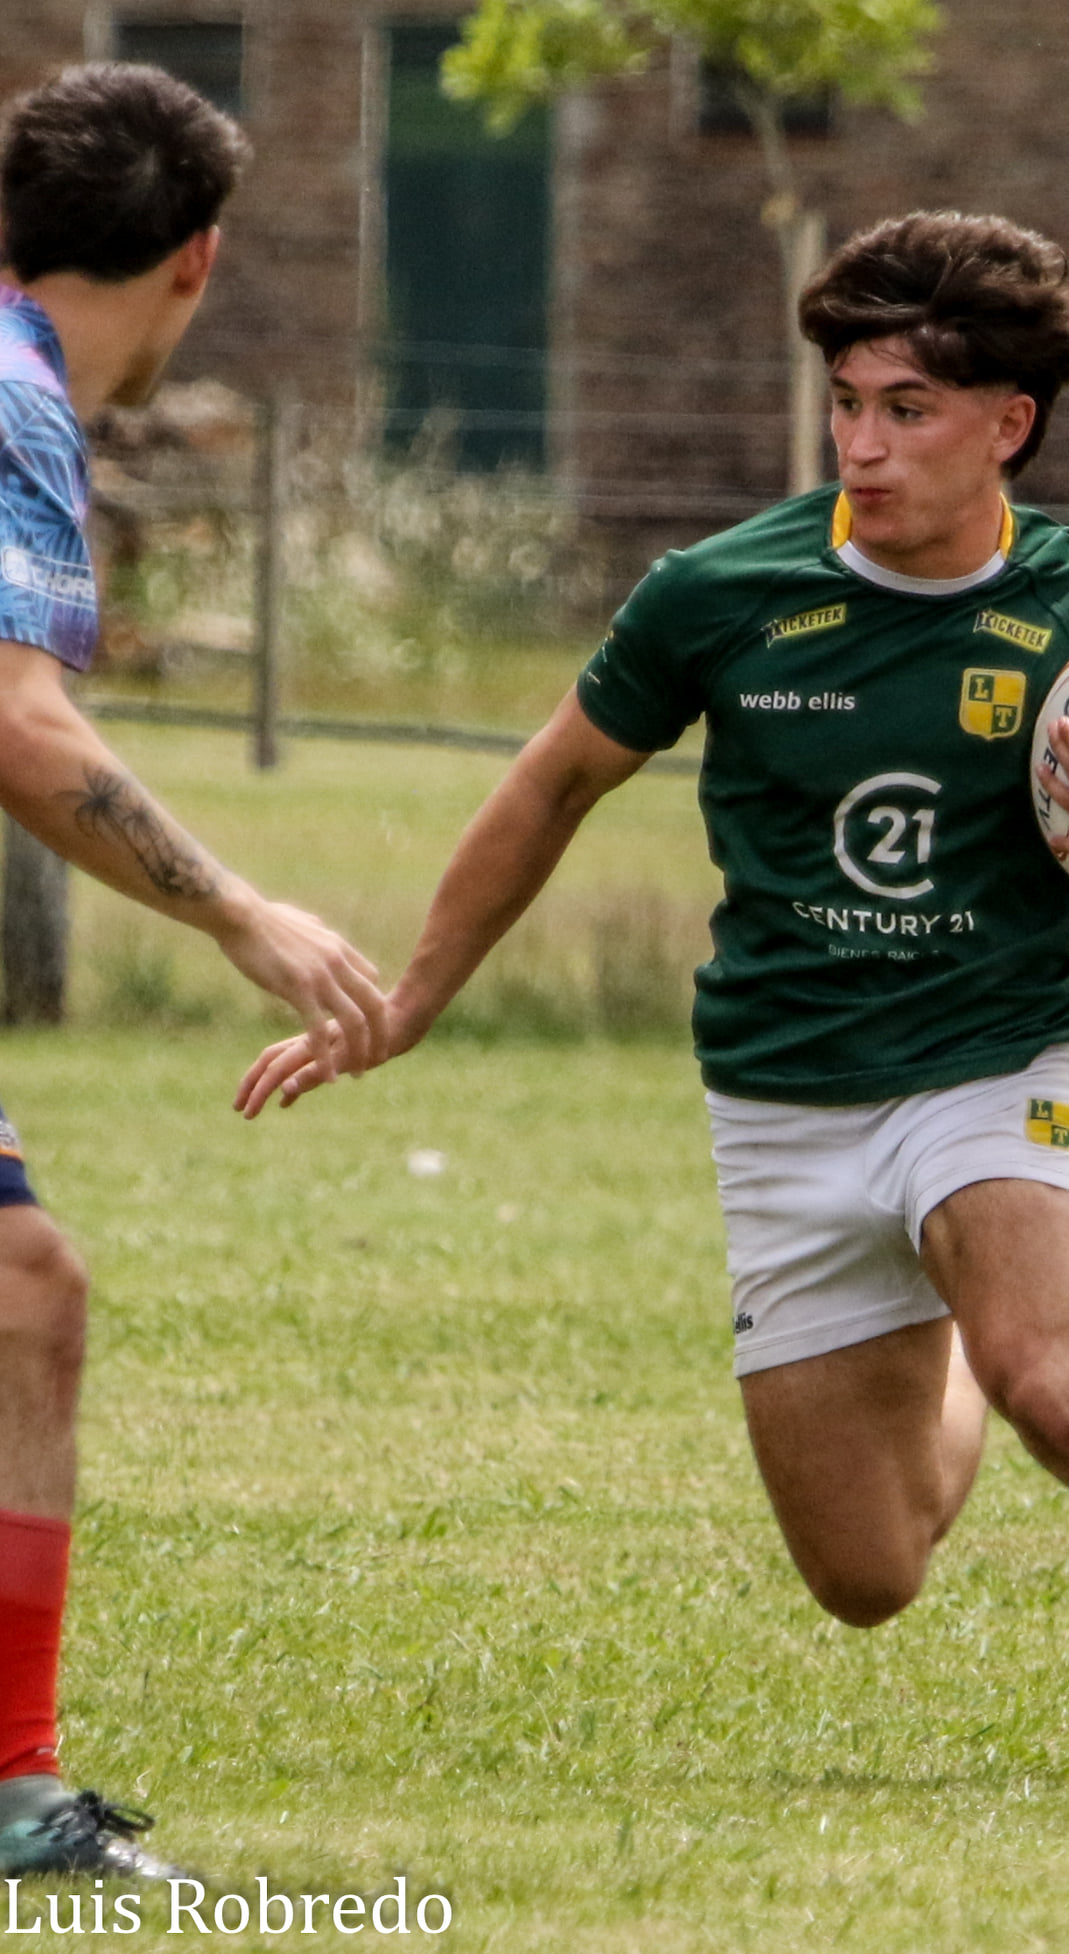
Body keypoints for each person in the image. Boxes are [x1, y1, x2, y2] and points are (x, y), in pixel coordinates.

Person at [240, 211, 1069, 1788]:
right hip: (781, 1100)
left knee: (1059, 1386)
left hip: (990, 1065)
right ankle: (953, 1351)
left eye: (906, 409)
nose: (860, 446)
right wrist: (411, 998)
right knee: (867, 1574)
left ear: (1008, 422)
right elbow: (551, 785)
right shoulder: (719, 592)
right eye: (847, 403)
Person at [0, 64, 388, 1878]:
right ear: (199, 258)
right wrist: (239, 908)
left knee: (23, 1292)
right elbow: (20, 726)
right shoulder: (16, 401)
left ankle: (15, 1787)